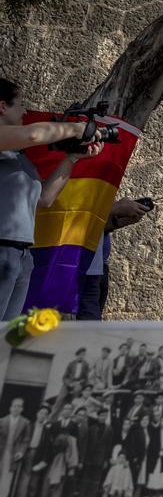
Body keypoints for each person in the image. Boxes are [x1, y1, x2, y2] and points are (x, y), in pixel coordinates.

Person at [0, 78, 103, 320]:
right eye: (21, 104)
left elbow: (45, 198)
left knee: (5, 337)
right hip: (3, 247)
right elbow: (34, 135)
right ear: (2, 106)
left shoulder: (17, 156)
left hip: (22, 251)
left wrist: (72, 158)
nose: (25, 111)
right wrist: (78, 129)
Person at [78, 198, 153, 320]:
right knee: (88, 326)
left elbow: (92, 227)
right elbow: (71, 218)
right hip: (81, 268)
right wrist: (115, 208)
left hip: (98, 266)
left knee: (91, 323)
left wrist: (114, 222)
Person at [0, 398, 30, 497]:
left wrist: (20, 452)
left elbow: (26, 440)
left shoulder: (25, 423)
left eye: (19, 406)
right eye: (15, 406)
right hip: (1, 454)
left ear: (22, 409)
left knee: (5, 487)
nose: (16, 408)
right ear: (10, 407)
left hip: (12, 457)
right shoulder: (2, 421)